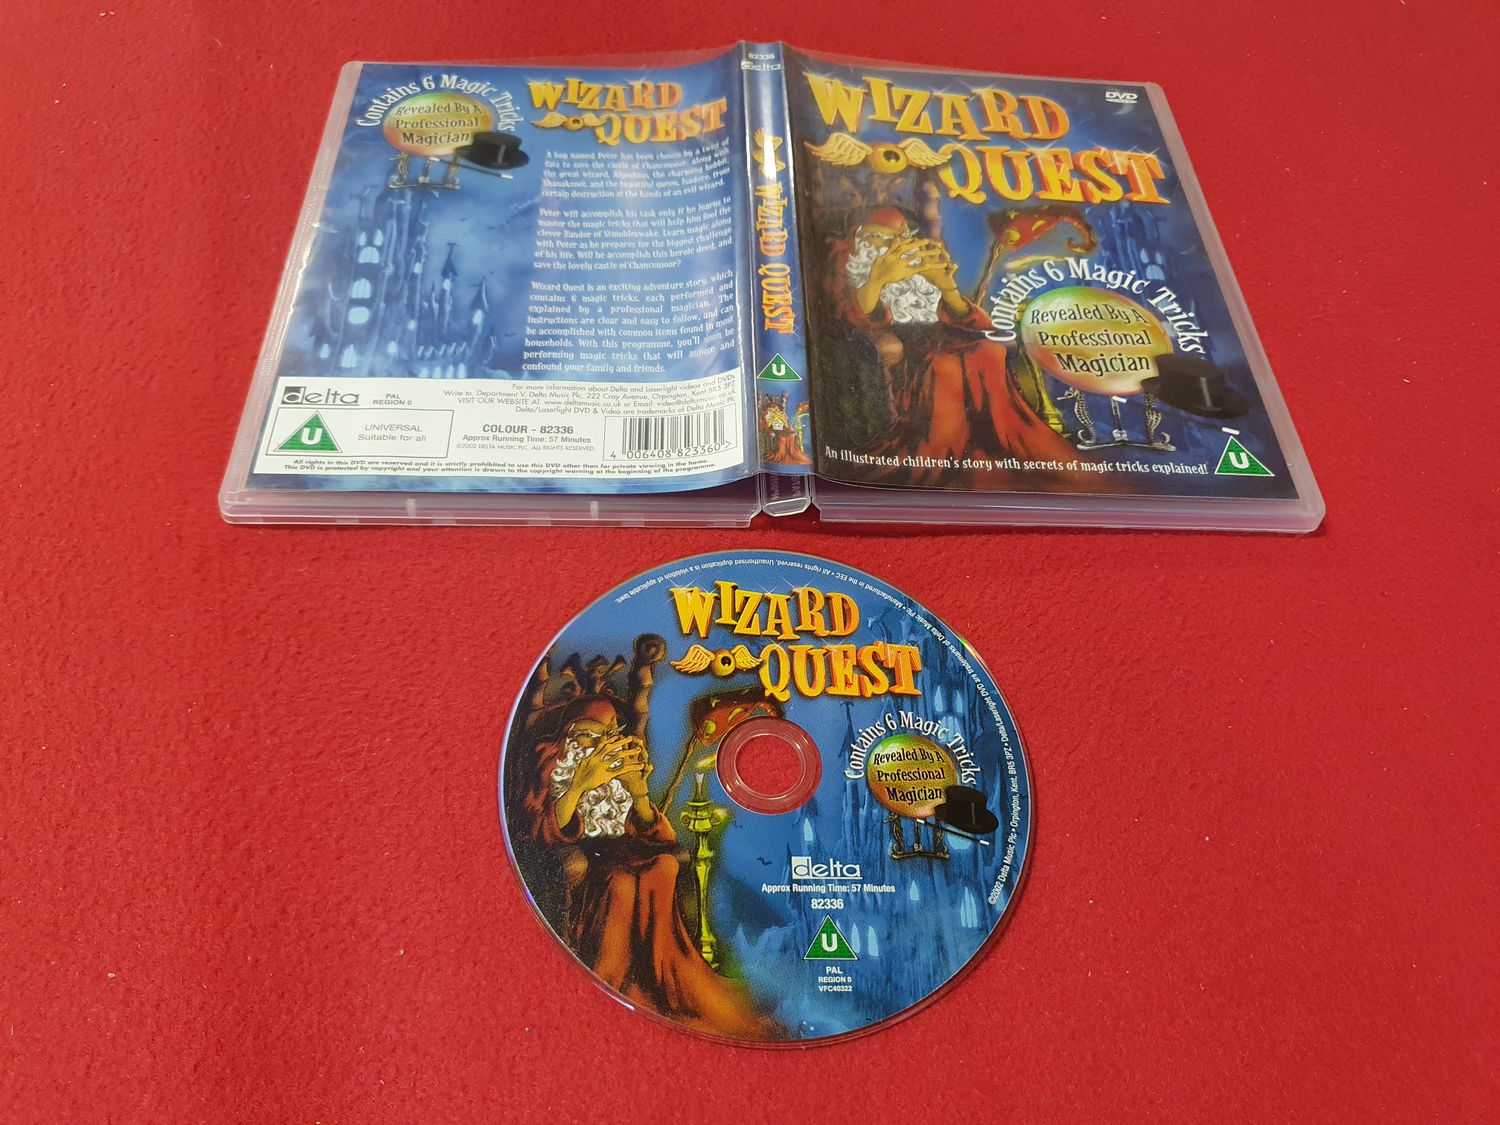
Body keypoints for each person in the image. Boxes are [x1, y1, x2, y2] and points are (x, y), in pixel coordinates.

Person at [521, 696, 775, 1040]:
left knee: (665, 866)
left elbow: (655, 834)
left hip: (622, 849)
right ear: (570, 734)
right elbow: (541, 831)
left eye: (611, 733)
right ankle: (611, 981)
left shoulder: (617, 768)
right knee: (621, 883)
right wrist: (581, 783)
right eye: (591, 734)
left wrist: (639, 794)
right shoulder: (550, 765)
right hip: (580, 857)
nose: (604, 744)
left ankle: (664, 982)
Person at [832, 206, 1083, 485]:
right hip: (902, 348)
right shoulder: (847, 267)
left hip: (938, 337)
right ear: (861, 240)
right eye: (882, 238)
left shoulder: (918, 269)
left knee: (989, 351)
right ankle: (941, 452)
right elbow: (850, 318)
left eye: (901, 238)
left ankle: (994, 442)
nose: (894, 247)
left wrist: (947, 288)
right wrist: (878, 280)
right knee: (944, 366)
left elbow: (970, 321)